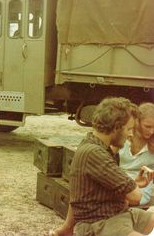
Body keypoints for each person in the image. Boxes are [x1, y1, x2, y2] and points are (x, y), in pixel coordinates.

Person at [50, 97, 154, 236]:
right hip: (99, 224)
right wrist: (132, 186)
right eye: (129, 129)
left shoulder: (99, 147)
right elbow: (135, 196)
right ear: (116, 127)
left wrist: (134, 183)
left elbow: (81, 194)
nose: (130, 134)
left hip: (118, 216)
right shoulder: (95, 154)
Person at [119, 103, 154, 206]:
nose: (152, 131)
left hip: (141, 189)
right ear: (137, 122)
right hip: (120, 183)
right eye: (147, 126)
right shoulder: (123, 138)